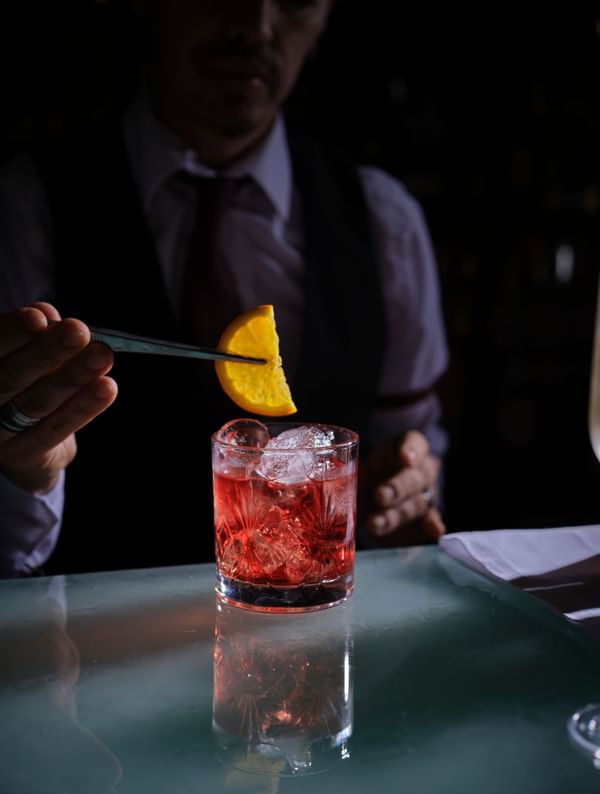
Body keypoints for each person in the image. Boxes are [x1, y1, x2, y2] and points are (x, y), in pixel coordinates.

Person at [0, 0, 449, 578]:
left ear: (323, 22)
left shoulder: (385, 220)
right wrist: (22, 469)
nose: (254, 24)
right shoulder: (22, 210)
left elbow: (416, 450)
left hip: (316, 623)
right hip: (87, 628)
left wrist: (407, 491)